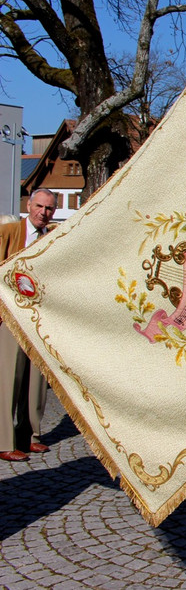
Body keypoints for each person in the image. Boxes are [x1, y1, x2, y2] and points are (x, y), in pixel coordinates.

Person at [0, 188, 57, 462]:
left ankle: (29, 435)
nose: (43, 213)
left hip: (37, 320)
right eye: (39, 206)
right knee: (9, 379)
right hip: (9, 316)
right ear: (28, 204)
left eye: (49, 209)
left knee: (35, 381)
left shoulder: (52, 238)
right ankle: (4, 441)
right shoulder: (9, 232)